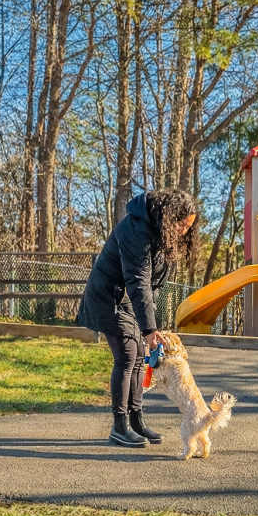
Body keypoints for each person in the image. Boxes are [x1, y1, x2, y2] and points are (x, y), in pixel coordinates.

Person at [77, 189, 198, 447]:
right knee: (127, 357)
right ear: (168, 217)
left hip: (127, 301)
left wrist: (149, 327)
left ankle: (136, 421)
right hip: (106, 297)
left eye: (189, 227)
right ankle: (119, 426)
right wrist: (149, 328)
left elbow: (152, 286)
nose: (184, 232)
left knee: (139, 358)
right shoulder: (136, 229)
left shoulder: (160, 234)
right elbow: (138, 281)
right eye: (182, 225)